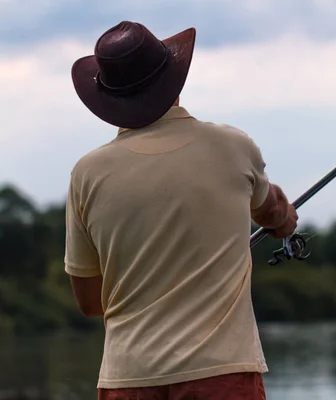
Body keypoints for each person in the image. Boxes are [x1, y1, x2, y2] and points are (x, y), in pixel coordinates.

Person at [65, 21, 298, 400]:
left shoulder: (86, 173)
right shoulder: (234, 146)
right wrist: (284, 220)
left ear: (108, 101)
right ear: (173, 84)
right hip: (221, 374)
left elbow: (90, 303)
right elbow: (272, 211)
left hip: (127, 379)